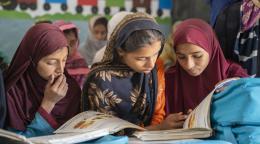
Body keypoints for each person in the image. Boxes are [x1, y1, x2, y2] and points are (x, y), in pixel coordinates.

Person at [82, 12, 187, 132]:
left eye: (155, 54)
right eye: (141, 58)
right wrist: (159, 128)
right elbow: (103, 133)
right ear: (121, 51)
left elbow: (157, 113)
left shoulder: (151, 71)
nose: (151, 64)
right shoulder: (101, 80)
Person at [4, 23, 81, 137]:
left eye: (64, 60)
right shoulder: (12, 92)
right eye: (51, 62)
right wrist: (49, 103)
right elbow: (14, 140)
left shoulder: (71, 88)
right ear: (31, 61)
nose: (60, 69)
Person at [165, 19, 248, 115]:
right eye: (181, 57)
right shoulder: (169, 79)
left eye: (197, 56)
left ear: (211, 48)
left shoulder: (234, 75)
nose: (189, 65)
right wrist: (166, 124)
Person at [53, 20, 89, 88]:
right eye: (63, 42)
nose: (68, 48)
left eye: (72, 42)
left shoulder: (80, 63)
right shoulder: (47, 63)